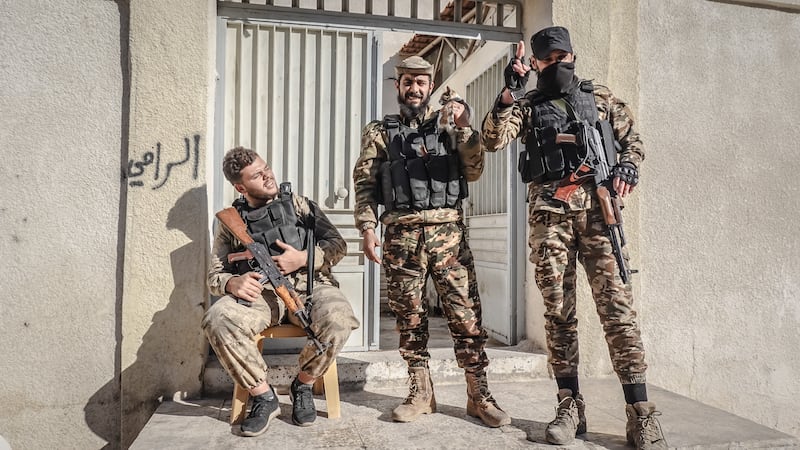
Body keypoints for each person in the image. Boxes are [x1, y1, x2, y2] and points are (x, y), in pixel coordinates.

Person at [481, 26, 667, 449]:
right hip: (550, 221)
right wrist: (508, 93)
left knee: (618, 312)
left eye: (560, 55)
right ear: (536, 62)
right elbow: (493, 139)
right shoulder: (527, 104)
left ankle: (641, 413)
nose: (554, 64)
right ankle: (569, 404)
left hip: (600, 216)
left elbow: (632, 139)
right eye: (545, 59)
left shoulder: (599, 96)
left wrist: (627, 167)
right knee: (559, 313)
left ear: (572, 55)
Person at [352, 56, 510, 428]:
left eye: (422, 82)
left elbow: (474, 169)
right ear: (398, 85)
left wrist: (465, 130)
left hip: (448, 234)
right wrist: (367, 228)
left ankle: (479, 395)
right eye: (408, 81)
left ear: (430, 85)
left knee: (466, 316)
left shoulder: (449, 124)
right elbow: (365, 182)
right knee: (409, 318)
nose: (415, 88)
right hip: (401, 235)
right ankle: (421, 392)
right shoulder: (379, 130)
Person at [203, 147, 359, 437]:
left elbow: (338, 245)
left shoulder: (301, 205)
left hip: (310, 287)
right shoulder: (230, 221)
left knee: (339, 319)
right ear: (240, 186)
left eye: (267, 169)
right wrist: (231, 283)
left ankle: (303, 383)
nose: (268, 177)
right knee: (218, 318)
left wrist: (303, 258)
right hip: (262, 295)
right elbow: (214, 275)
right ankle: (263, 395)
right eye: (257, 176)